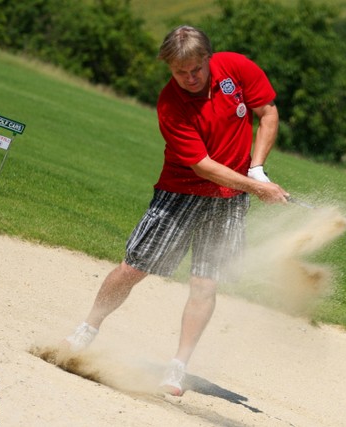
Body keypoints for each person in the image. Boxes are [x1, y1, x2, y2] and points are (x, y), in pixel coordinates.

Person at [64, 25, 289, 396]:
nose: (189, 78)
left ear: (208, 58)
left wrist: (257, 168)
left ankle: (177, 367)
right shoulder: (171, 103)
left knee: (205, 282)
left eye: (195, 70)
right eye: (179, 72)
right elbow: (202, 166)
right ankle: (86, 329)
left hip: (230, 199)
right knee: (133, 267)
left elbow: (268, 113)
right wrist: (257, 187)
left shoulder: (236, 68)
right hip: (181, 191)